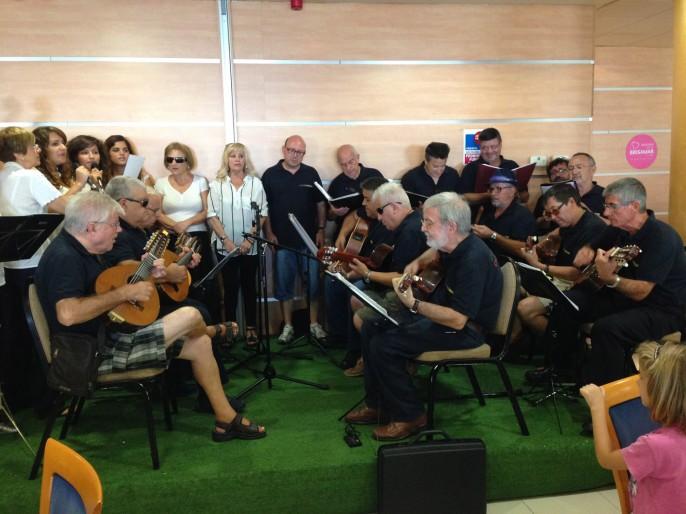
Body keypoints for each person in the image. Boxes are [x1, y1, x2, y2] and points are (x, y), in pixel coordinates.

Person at [34, 192, 265, 441]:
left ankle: (225, 419)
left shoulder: (82, 250)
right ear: (91, 227)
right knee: (190, 314)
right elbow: (68, 314)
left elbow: (102, 292)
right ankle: (209, 329)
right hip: (91, 355)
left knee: (199, 343)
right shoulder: (65, 257)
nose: (118, 231)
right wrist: (124, 293)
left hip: (106, 338)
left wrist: (149, 277)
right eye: (114, 224)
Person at [345, 192, 502, 440]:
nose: (422, 228)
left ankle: (411, 416)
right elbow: (434, 252)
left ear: (451, 227)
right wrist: (416, 264)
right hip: (445, 317)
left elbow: (458, 319)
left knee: (384, 345)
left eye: (428, 222)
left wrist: (414, 304)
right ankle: (378, 405)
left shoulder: (473, 260)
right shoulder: (456, 242)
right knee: (371, 325)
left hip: (466, 330)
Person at [544, 178, 686, 393]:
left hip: (663, 309)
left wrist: (611, 279)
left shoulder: (661, 237)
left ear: (634, 206)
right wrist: (588, 248)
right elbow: (597, 242)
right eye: (606, 206)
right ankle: (564, 371)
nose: (606, 212)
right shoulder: (620, 230)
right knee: (568, 301)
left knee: (608, 329)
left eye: (612, 206)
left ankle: (611, 396)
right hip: (625, 299)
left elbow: (642, 291)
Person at [0, 127, 89, 409]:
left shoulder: (3, 176)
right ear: (19, 152)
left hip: (10, 267)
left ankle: (22, 396)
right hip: (34, 263)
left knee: (19, 335)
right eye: (33, 146)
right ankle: (50, 397)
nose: (38, 150)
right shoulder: (28, 175)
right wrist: (80, 183)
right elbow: (66, 207)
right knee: (43, 333)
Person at [580, 340, 686, 514]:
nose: (637, 383)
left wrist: (597, 407)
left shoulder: (653, 446)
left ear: (658, 390)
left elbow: (606, 458)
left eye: (641, 378)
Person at [345, 182, 428, 376]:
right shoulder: (407, 225)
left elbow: (401, 278)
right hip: (405, 293)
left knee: (361, 318)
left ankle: (387, 364)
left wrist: (367, 274)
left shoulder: (410, 230)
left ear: (395, 207)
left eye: (381, 212)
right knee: (357, 299)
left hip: (414, 299)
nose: (379, 218)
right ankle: (373, 359)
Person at [517, 184, 606, 349]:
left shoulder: (594, 228)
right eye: (548, 214)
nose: (553, 217)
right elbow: (555, 233)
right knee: (514, 287)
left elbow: (578, 274)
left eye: (555, 211)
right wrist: (543, 243)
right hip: (561, 279)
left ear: (571, 202)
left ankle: (568, 347)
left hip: (580, 288)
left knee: (525, 309)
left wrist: (540, 265)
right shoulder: (569, 223)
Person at [261, 135, 327, 344]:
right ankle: (288, 326)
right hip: (282, 242)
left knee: (314, 286)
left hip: (309, 241)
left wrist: (321, 229)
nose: (295, 155)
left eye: (300, 152)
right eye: (291, 150)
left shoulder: (311, 173)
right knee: (284, 286)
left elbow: (320, 204)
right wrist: (269, 234)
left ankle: (314, 324)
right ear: (284, 150)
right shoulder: (270, 175)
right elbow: (264, 208)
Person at [324, 176, 392, 362]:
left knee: (354, 289)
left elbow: (378, 264)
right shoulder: (368, 213)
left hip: (378, 276)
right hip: (364, 266)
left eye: (367, 199)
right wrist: (342, 234)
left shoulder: (389, 224)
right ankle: (339, 334)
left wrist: (350, 274)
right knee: (332, 281)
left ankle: (355, 350)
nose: (363, 203)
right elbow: (354, 215)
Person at [207, 143, 268, 347]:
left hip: (250, 246)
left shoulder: (255, 184)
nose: (237, 159)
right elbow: (212, 215)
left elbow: (262, 213)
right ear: (227, 159)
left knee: (250, 287)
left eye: (241, 156)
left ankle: (251, 328)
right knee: (230, 289)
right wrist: (226, 241)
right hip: (225, 246)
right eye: (232, 156)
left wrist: (249, 240)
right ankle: (230, 330)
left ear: (245, 159)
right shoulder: (217, 185)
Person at [154, 142, 215, 313]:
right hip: (170, 237)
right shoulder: (160, 183)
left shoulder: (200, 181)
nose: (174, 163)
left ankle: (205, 317)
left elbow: (207, 210)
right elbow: (157, 212)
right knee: (175, 281)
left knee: (201, 280)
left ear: (188, 161)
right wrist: (175, 225)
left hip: (198, 236)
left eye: (179, 159)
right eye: (170, 159)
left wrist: (186, 223)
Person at [471, 169, 536, 261]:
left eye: (498, 189)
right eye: (491, 189)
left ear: (513, 190)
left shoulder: (525, 216)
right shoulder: (487, 208)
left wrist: (493, 236)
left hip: (508, 266)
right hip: (483, 260)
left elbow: (529, 249)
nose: (493, 193)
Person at [460, 127, 528, 205]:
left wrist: (516, 193)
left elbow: (525, 197)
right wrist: (491, 195)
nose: (489, 151)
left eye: (493, 147)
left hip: (510, 212)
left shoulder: (512, 165)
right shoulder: (471, 168)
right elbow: (464, 197)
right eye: (484, 148)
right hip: (480, 211)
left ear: (500, 145)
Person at [327, 144, 383, 232]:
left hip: (372, 229)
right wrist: (334, 212)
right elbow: (329, 217)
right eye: (343, 165)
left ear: (357, 157)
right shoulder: (336, 184)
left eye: (351, 162)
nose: (348, 168)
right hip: (344, 231)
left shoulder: (374, 175)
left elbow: (386, 203)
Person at [400, 142, 460, 208]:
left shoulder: (452, 175)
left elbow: (460, 199)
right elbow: (404, 207)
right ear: (426, 161)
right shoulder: (410, 178)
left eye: (443, 166)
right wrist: (418, 209)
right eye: (435, 166)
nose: (439, 171)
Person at [532, 157, 570, 234]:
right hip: (551, 237)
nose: (557, 174)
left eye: (562, 170)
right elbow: (536, 226)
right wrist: (545, 218)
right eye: (553, 172)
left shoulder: (581, 194)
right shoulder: (544, 198)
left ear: (571, 173)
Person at [33, 126, 73, 192]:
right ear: (40, 149)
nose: (64, 147)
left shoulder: (61, 173)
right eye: (55, 144)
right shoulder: (37, 176)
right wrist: (79, 184)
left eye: (63, 143)